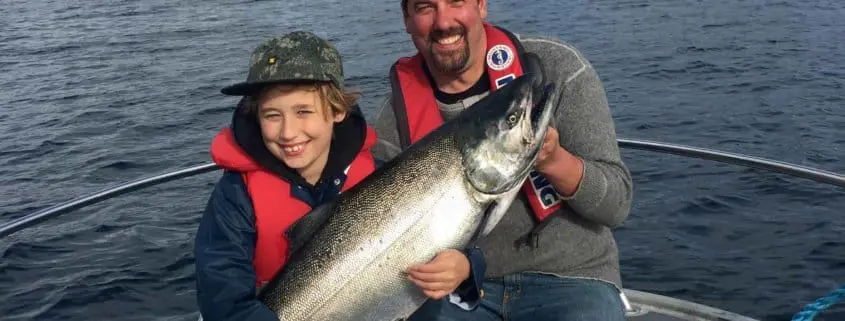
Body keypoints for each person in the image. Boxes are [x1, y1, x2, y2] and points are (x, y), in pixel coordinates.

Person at [193, 31, 486, 321]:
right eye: (272, 115)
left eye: (303, 111)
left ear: (337, 111)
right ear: (255, 117)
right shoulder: (237, 195)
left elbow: (450, 236)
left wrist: (465, 268)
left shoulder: (383, 177)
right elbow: (222, 296)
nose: (288, 132)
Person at [371, 1, 635, 320]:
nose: (443, 22)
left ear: (481, 5)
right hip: (457, 290)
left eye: (456, 2)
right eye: (426, 7)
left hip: (573, 277)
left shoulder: (556, 66)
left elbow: (616, 206)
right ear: (407, 19)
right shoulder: (393, 120)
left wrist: (554, 161)